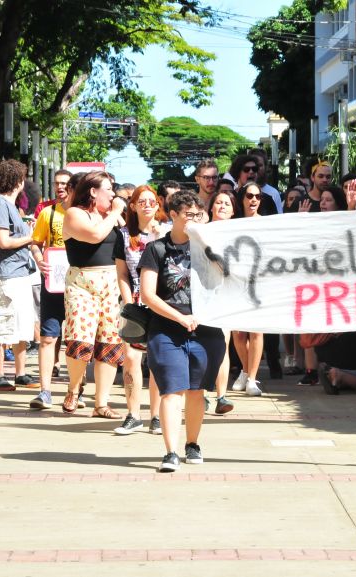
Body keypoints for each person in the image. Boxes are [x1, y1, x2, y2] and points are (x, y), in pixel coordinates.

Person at [138, 190, 225, 472]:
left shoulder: (210, 247)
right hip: (166, 330)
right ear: (173, 215)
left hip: (206, 330)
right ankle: (170, 451)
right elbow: (149, 295)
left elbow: (231, 281)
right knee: (171, 391)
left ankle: (193, 443)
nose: (195, 219)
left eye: (199, 214)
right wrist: (179, 318)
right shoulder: (156, 249)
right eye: (189, 215)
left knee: (197, 391)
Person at [60, 171, 126, 417]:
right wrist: (117, 213)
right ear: (92, 191)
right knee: (80, 337)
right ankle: (74, 387)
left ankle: (102, 402)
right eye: (108, 189)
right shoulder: (75, 214)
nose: (112, 194)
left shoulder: (111, 217)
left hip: (111, 282)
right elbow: (95, 235)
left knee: (109, 341)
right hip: (82, 282)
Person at [113, 185, 168, 434]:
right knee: (132, 359)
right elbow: (122, 273)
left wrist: (158, 236)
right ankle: (133, 414)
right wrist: (128, 304)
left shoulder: (167, 233)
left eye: (151, 201)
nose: (147, 204)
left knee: (157, 359)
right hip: (134, 300)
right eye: (141, 201)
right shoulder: (123, 235)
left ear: (158, 205)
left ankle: (156, 415)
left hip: (161, 302)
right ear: (132, 206)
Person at [0, 160, 37, 391]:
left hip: (19, 272)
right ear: (19, 181)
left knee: (22, 324)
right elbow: (4, 241)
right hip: (5, 274)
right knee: (4, 322)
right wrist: (31, 237)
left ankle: (20, 372)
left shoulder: (10, 206)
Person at [27, 169, 72, 409]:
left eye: (65, 184)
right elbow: (36, 243)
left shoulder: (84, 214)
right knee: (47, 337)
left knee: (78, 340)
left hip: (79, 286)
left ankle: (76, 390)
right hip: (52, 282)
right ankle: (45, 391)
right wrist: (39, 258)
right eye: (57, 184)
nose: (61, 188)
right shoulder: (48, 213)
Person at [230, 182, 266, 396]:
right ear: (242, 199)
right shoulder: (231, 224)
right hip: (235, 282)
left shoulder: (267, 223)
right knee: (238, 331)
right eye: (250, 196)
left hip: (260, 282)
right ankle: (245, 370)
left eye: (258, 196)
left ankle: (252, 378)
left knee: (256, 330)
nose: (254, 200)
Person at [206, 188, 237, 414]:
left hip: (225, 296)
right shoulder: (200, 232)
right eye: (218, 202)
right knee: (202, 346)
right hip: (202, 296)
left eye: (227, 203)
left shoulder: (238, 236)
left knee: (222, 345)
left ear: (233, 210)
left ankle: (221, 396)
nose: (222, 206)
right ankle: (203, 394)